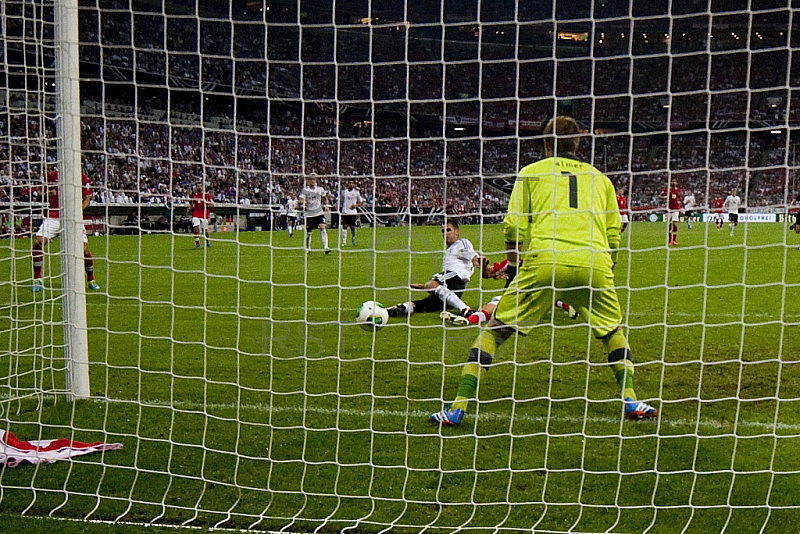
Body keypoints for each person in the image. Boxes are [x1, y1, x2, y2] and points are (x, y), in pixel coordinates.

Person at [429, 116, 658, 427]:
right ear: (578, 143)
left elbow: (513, 226)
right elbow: (614, 232)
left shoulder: (531, 174)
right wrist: (609, 263)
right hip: (594, 262)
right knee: (612, 331)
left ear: (547, 143)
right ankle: (632, 399)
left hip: (544, 261)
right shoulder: (600, 179)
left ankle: (457, 408)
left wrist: (511, 265)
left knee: (495, 332)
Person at [385, 220, 502, 320]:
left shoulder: (461, 243)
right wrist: (423, 286)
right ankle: (395, 309)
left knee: (432, 284)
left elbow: (470, 253)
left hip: (455, 277)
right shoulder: (450, 249)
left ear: (457, 231)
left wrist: (477, 261)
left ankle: (466, 309)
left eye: (448, 230)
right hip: (453, 289)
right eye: (443, 231)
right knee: (426, 304)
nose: (445, 234)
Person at [32, 167, 100, 292]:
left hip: (73, 218)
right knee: (38, 242)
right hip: (54, 216)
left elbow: (86, 200)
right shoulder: (52, 176)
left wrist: (76, 211)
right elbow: (42, 193)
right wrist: (49, 194)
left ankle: (91, 279)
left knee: (83, 250)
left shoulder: (82, 177)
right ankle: (37, 279)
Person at [299, 175, 331, 253]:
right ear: (308, 181)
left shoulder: (320, 189)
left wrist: (327, 205)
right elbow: (300, 200)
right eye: (311, 179)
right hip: (309, 214)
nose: (312, 181)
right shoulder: (305, 190)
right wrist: (304, 202)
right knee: (308, 232)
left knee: (322, 227)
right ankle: (308, 247)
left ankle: (326, 247)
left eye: (314, 179)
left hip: (319, 212)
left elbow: (325, 197)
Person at [340, 181, 365, 247]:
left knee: (352, 227)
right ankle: (343, 242)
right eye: (350, 183)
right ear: (347, 184)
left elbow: (361, 202)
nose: (351, 184)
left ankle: (353, 237)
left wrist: (355, 205)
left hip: (353, 212)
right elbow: (341, 200)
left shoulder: (356, 192)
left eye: (352, 183)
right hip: (345, 211)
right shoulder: (343, 192)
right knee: (344, 226)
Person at [188, 184, 213, 248]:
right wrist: (189, 209)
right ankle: (197, 243)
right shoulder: (193, 196)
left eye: (200, 186)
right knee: (195, 228)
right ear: (196, 187)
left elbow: (212, 205)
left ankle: (207, 241)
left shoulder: (207, 196)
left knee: (205, 230)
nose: (199, 187)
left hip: (204, 214)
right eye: (198, 186)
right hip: (196, 214)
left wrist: (208, 205)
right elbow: (191, 206)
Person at [659, 179, 682, 246]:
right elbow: (660, 196)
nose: (674, 183)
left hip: (675, 209)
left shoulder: (678, 190)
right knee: (668, 225)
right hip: (668, 210)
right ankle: (669, 240)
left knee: (675, 224)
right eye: (673, 181)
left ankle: (674, 240)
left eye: (675, 181)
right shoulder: (666, 190)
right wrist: (665, 197)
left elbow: (679, 198)